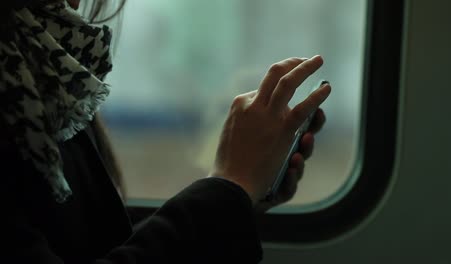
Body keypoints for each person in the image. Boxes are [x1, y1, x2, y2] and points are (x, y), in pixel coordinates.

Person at [0, 0, 331, 263]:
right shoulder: (26, 83)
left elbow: (95, 248)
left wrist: (242, 194)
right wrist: (231, 186)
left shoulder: (44, 75)